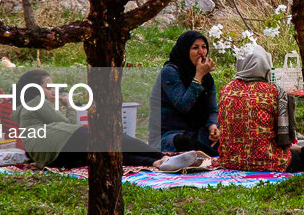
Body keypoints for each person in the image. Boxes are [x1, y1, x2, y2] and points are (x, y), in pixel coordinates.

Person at [15, 69, 190, 170]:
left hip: (54, 159)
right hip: (61, 144)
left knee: (103, 154)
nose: (54, 91)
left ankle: (155, 162)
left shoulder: (25, 109)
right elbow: (69, 126)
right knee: (111, 136)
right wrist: (69, 105)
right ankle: (161, 155)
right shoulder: (36, 102)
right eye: (49, 88)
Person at [217, 44, 302, 172]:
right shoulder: (274, 92)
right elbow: (284, 139)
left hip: (231, 161)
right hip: (269, 162)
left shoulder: (227, 89)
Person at [158, 30, 220, 154]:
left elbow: (213, 109)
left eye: (204, 47)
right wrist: (198, 77)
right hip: (174, 133)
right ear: (185, 50)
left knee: (231, 138)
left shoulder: (207, 78)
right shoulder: (170, 72)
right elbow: (183, 106)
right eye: (195, 48)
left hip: (199, 132)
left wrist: (213, 125)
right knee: (186, 143)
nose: (201, 52)